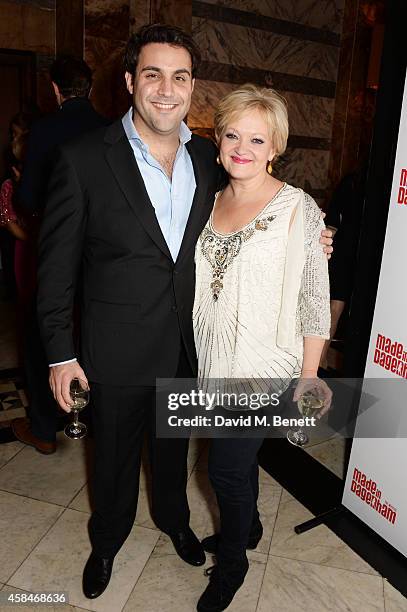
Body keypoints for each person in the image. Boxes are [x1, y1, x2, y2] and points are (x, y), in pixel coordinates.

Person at [36, 25, 333, 600]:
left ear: (193, 86)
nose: (166, 90)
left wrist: (314, 244)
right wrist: (60, 355)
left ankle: (175, 522)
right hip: (114, 351)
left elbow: (258, 215)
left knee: (172, 457)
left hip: (191, 350)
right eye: (152, 75)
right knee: (114, 465)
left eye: (180, 77)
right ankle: (107, 542)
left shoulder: (210, 156)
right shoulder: (82, 159)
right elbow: (53, 271)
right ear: (129, 81)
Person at [193, 84, 332, 612]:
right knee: (236, 460)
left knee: (224, 469)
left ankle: (232, 565)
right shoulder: (210, 201)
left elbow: (315, 299)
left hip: (261, 365)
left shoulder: (299, 209)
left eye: (257, 138)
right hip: (213, 359)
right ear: (219, 139)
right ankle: (246, 527)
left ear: (275, 147)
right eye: (232, 134)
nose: (243, 147)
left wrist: (309, 374)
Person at [12, 56, 109, 455]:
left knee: (44, 336)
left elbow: (28, 197)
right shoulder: (110, 128)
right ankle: (95, 413)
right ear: (89, 87)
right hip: (102, 258)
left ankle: (44, 427)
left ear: (55, 88)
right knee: (94, 334)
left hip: (59, 252)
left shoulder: (45, 130)